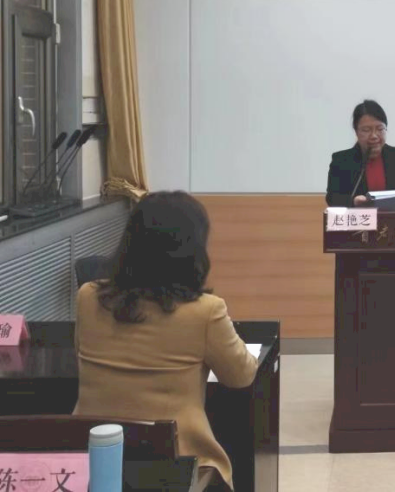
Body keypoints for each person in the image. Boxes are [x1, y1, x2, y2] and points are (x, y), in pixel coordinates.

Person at [75, 191, 258, 490]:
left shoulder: (87, 297)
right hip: (178, 464)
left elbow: (79, 356)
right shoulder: (205, 311)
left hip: (94, 460)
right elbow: (242, 375)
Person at [326, 99, 395, 207]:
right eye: (366, 130)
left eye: (380, 129)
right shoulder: (341, 161)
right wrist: (354, 201)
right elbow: (332, 198)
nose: (374, 136)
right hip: (358, 217)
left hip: (394, 217)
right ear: (356, 132)